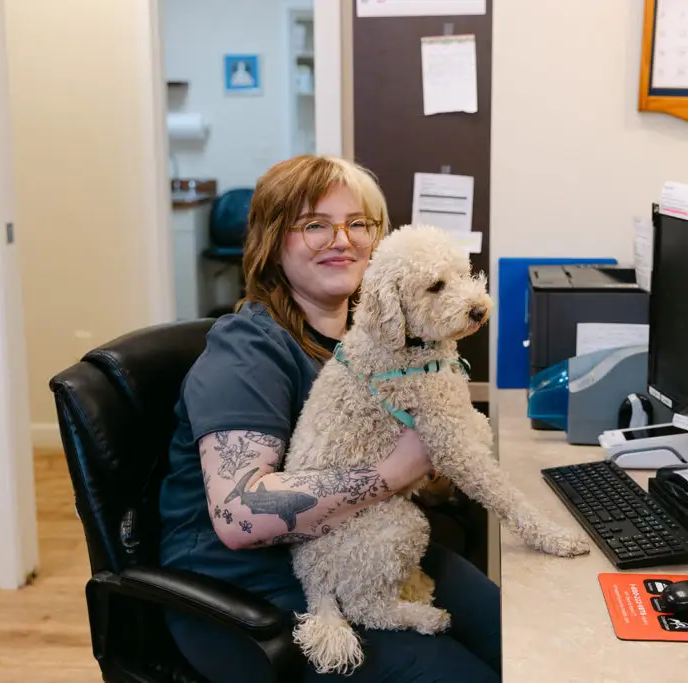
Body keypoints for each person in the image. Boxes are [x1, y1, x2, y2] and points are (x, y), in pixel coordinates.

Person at [158, 154, 501, 682]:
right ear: (272, 241)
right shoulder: (246, 353)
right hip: (253, 599)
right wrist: (399, 468)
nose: (342, 239)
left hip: (371, 558)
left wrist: (436, 469)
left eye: (358, 223)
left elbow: (413, 474)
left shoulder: (372, 345)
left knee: (519, 639)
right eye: (315, 224)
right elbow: (239, 515)